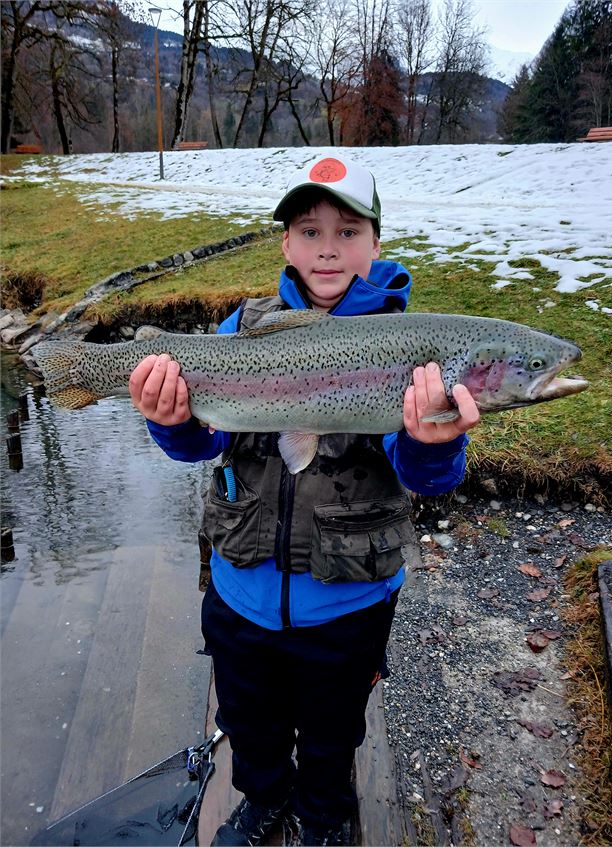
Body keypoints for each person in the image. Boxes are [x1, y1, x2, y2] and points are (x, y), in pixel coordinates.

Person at [128, 156, 480, 847]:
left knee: (331, 731)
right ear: (284, 244)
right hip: (238, 593)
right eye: (309, 229)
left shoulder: (411, 345)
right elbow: (202, 447)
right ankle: (264, 800)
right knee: (248, 720)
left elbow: (425, 478)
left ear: (376, 243)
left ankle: (323, 816)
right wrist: (169, 421)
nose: (327, 247)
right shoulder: (241, 330)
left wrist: (433, 443)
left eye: (347, 230)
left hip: (345, 604)